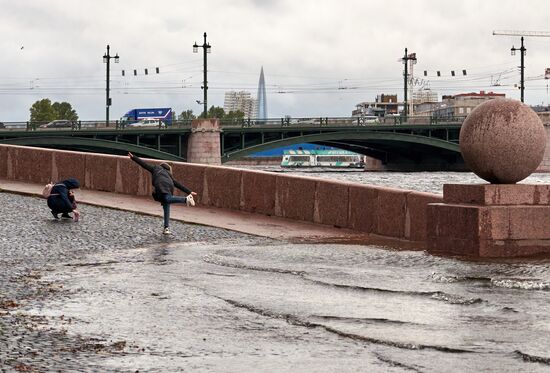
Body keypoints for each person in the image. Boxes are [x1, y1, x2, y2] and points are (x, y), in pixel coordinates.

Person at [128, 152, 197, 235]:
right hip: (168, 186)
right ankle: (166, 228)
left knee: (167, 199)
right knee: (166, 204)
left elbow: (144, 165)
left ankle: (185, 199)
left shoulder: (156, 168)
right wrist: (189, 191)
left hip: (161, 185)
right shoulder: (169, 175)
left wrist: (134, 157)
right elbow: (177, 184)